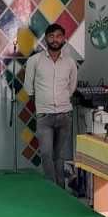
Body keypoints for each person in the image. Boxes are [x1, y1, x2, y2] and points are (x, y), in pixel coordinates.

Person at [24, 23, 78, 187]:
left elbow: (72, 87)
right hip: (44, 115)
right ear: (46, 39)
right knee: (46, 154)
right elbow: (28, 87)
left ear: (64, 39)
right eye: (51, 36)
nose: (55, 40)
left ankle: (60, 188)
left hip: (64, 115)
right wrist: (43, 102)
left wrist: (62, 99)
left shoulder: (70, 62)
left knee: (59, 156)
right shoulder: (34, 61)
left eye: (59, 36)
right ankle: (51, 187)